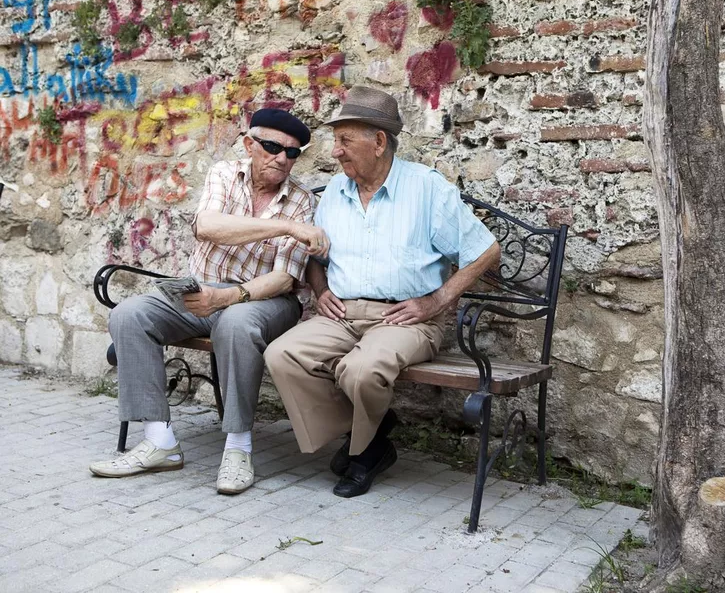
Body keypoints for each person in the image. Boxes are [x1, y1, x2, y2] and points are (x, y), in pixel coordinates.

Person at [265, 86, 501, 498]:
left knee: (361, 370)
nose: (335, 152)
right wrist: (319, 290)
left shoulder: (427, 189)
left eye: (344, 140)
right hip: (343, 313)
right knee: (282, 355)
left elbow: (486, 251)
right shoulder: (335, 193)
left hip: (406, 319)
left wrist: (438, 301)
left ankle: (362, 453)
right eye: (335, 140)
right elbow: (316, 258)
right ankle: (371, 439)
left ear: (378, 142)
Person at [90, 109, 330, 495]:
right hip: (203, 291)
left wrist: (228, 297)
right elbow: (207, 226)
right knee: (130, 314)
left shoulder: (301, 200)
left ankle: (238, 447)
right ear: (249, 144)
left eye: (293, 153)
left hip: (267, 300)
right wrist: (284, 227)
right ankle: (159, 441)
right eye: (272, 147)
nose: (282, 159)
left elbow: (285, 277)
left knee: (236, 323)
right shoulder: (225, 174)